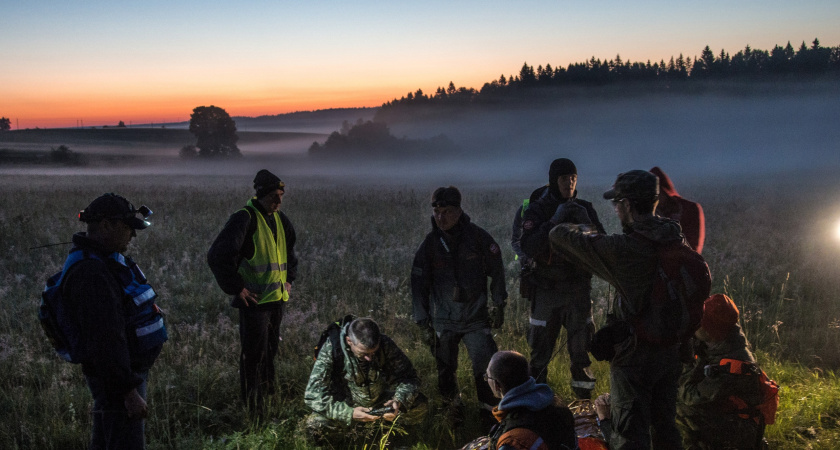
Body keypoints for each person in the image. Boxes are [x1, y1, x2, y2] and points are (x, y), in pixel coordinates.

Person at [549, 169, 685, 449]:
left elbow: (558, 236)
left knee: (629, 434)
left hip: (635, 356)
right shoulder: (674, 238)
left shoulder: (625, 250)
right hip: (671, 350)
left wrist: (577, 220)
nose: (615, 209)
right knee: (665, 427)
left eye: (617, 203)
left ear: (627, 205)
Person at [65, 193, 165, 450]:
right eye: (128, 227)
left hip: (118, 377)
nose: (133, 235)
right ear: (106, 225)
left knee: (106, 441)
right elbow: (105, 340)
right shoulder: (91, 273)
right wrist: (128, 392)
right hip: (118, 382)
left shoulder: (101, 261)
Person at [411, 186, 508, 424]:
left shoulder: (478, 238)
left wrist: (498, 304)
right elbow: (418, 284)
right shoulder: (430, 244)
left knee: (486, 369)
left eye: (446, 212)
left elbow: (497, 269)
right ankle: (453, 412)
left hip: (475, 318)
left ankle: (490, 415)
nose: (440, 217)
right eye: (436, 212)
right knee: (445, 369)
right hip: (444, 320)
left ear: (458, 210)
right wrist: (423, 322)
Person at [207, 169, 298, 409]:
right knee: (254, 355)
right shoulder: (244, 218)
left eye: (281, 196)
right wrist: (237, 288)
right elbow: (217, 255)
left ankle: (268, 395)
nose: (278, 201)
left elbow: (290, 254)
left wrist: (289, 279)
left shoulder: (281, 219)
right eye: (273, 196)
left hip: (277, 299)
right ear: (260, 195)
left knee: (270, 351)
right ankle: (252, 405)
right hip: (255, 303)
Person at [519, 158, 605, 398]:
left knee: (581, 352)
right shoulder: (537, 210)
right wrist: (554, 221)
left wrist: (586, 222)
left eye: (574, 178)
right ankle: (537, 404)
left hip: (578, 290)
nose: (570, 183)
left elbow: (603, 245)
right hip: (546, 290)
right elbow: (528, 246)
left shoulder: (584, 207)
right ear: (554, 180)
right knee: (540, 354)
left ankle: (584, 404)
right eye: (564, 178)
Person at [303, 317, 427, 444]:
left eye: (373, 352)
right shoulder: (332, 348)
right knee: (315, 425)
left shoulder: (385, 344)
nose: (369, 358)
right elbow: (313, 395)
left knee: (419, 403)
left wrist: (398, 400)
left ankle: (400, 440)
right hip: (347, 405)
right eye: (364, 353)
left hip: (380, 403)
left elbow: (410, 378)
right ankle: (343, 443)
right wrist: (348, 413)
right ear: (349, 341)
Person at [677, 294, 768, 449]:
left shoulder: (733, 365)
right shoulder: (727, 341)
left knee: (677, 407)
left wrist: (691, 364)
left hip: (739, 429)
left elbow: (689, 396)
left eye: (699, 323)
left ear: (710, 331)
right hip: (732, 416)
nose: (694, 325)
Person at [485, 350, 577, 450]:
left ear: (497, 385)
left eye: (487, 377)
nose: (486, 379)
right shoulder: (556, 405)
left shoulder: (512, 441)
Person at [650, 167, 705, 254]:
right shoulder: (650, 213)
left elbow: (693, 247)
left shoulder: (691, 209)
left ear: (664, 190)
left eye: (656, 193)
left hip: (685, 260)